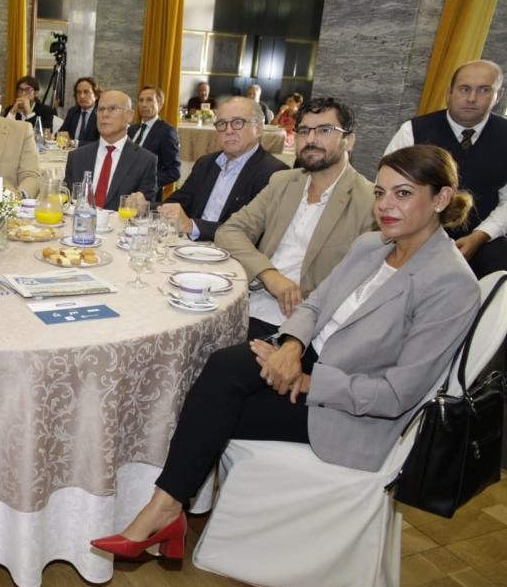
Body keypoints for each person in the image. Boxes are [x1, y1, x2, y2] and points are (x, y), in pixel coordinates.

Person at [90, 145, 480, 563]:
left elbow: (396, 394)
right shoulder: (373, 245)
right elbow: (313, 306)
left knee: (207, 407)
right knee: (222, 365)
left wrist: (307, 381)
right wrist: (291, 347)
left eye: (402, 194)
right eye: (381, 193)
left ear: (441, 198)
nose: (385, 205)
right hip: (314, 359)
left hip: (351, 410)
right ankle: (167, 511)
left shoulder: (451, 284)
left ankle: (162, 513)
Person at [215, 98, 375, 340]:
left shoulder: (369, 202)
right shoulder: (284, 182)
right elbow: (229, 232)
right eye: (303, 131)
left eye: (324, 130)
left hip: (303, 324)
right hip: (251, 301)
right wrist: (269, 275)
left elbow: (361, 284)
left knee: (215, 366)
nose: (311, 140)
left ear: (349, 141)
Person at [385, 59, 506, 278]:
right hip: (417, 235)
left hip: (484, 240)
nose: (471, 98)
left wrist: (481, 235)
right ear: (449, 92)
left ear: (498, 96)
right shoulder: (413, 131)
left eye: (484, 90)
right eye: (464, 89)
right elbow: (387, 188)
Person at [159, 97, 287, 240]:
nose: (228, 130)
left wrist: (192, 226)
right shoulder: (206, 164)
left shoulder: (275, 174)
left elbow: (253, 232)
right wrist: (146, 207)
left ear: (258, 129)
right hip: (189, 248)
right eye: (222, 124)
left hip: (234, 256)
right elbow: (178, 202)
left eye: (238, 122)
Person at [63, 89, 157, 209]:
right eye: (101, 109)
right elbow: (66, 200)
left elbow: (145, 210)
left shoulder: (145, 161)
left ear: (129, 115)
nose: (105, 114)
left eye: (113, 109)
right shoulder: (77, 157)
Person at [128, 85, 181, 193]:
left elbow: (174, 171)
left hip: (146, 193)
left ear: (160, 104)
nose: (144, 104)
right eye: (141, 100)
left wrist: (148, 184)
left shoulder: (167, 132)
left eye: (149, 100)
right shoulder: (132, 129)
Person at [58, 77, 100, 146]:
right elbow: (62, 133)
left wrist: (75, 143)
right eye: (79, 92)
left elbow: (100, 143)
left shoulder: (101, 114)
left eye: (86, 92)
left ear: (96, 95)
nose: (82, 96)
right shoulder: (73, 112)